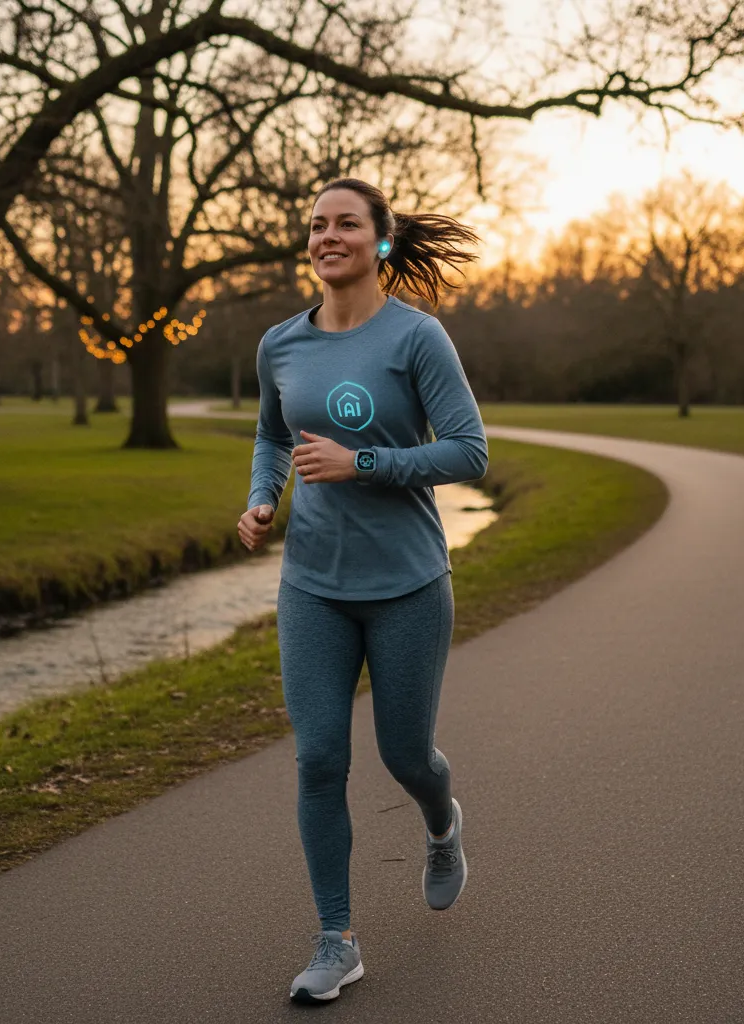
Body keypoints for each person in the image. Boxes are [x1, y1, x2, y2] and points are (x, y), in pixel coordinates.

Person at [237, 177, 489, 1003]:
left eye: (346, 223)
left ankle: (442, 824)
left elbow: (467, 452)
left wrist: (365, 464)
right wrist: (263, 498)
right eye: (316, 225)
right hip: (313, 581)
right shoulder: (281, 344)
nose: (326, 236)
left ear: (381, 242)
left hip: (407, 581)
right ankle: (336, 938)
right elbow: (272, 437)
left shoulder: (418, 338)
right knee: (318, 758)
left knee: (405, 755)